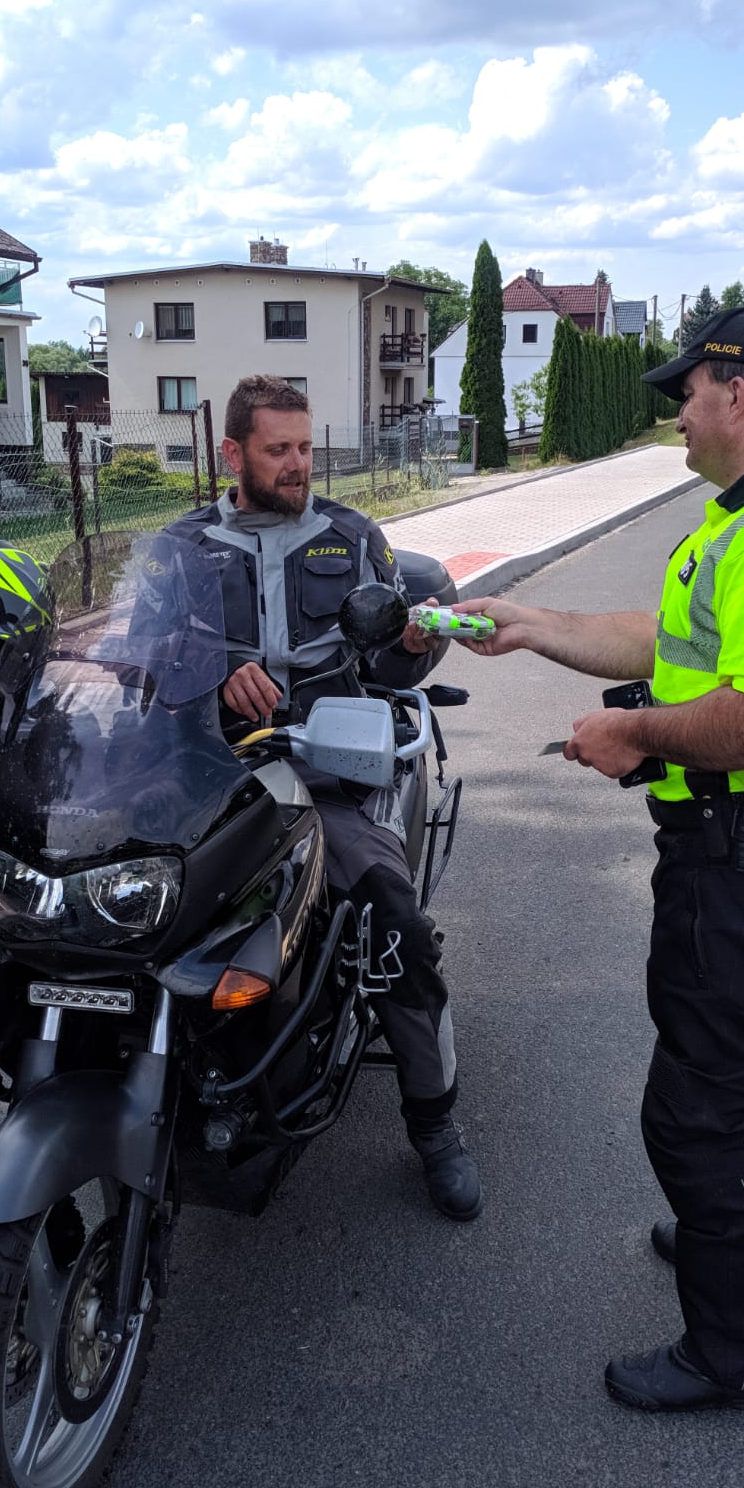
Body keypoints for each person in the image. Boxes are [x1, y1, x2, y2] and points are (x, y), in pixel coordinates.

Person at [456, 305, 744, 1408]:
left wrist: (629, 734)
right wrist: (534, 623)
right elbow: (669, 643)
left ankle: (733, 1353)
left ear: (737, 392)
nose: (677, 412)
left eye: (686, 391)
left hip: (742, 851)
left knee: (701, 1105)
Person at [163, 374, 483, 1221]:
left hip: (320, 781)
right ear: (233, 454)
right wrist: (209, 675)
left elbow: (389, 667)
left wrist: (413, 644)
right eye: (279, 450)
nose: (299, 464)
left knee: (394, 924)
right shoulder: (178, 548)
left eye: (305, 447)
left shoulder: (351, 536)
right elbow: (138, 664)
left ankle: (435, 1123)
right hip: (201, 782)